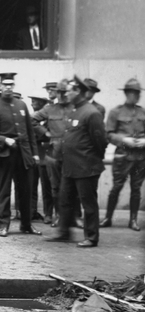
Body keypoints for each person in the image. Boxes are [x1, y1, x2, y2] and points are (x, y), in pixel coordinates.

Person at [46, 76, 107, 247]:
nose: (67, 93)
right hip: (69, 166)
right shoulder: (73, 110)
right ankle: (64, 232)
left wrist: (91, 160)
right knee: (64, 200)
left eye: (71, 90)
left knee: (88, 204)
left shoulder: (91, 112)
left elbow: (100, 141)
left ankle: (92, 237)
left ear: (79, 91)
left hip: (86, 167)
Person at [0, 72, 41, 237]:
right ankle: (4, 225)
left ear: (14, 86)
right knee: (4, 190)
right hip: (5, 155)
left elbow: (30, 131)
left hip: (24, 154)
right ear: (0, 87)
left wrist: (34, 154)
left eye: (11, 85)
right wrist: (4, 140)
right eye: (5, 85)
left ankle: (26, 224)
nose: (8, 87)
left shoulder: (21, 105)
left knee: (26, 190)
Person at [31, 79, 83, 228]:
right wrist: (46, 133)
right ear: (58, 93)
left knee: (76, 186)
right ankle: (59, 216)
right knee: (55, 187)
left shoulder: (76, 108)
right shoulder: (50, 109)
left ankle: (76, 216)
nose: (63, 95)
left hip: (73, 153)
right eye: (61, 92)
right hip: (54, 153)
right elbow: (32, 120)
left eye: (66, 92)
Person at [100, 78, 145, 231]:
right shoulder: (116, 112)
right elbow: (109, 134)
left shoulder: (143, 112)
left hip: (140, 157)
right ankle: (108, 218)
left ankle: (133, 220)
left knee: (136, 189)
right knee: (116, 187)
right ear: (126, 93)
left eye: (137, 93)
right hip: (122, 157)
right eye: (132, 92)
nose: (136, 96)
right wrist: (124, 140)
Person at [28, 95, 52, 223]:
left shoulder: (49, 117)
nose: (32, 104)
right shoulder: (32, 117)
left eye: (35, 102)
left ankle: (48, 213)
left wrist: (45, 134)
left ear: (43, 103)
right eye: (31, 101)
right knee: (31, 185)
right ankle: (32, 212)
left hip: (45, 155)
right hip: (33, 155)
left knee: (46, 186)